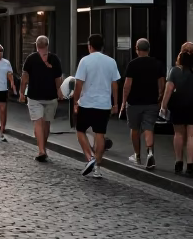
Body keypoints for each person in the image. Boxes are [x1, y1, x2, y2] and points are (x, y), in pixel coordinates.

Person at [160, 42, 193, 177]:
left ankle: (178, 162)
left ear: (181, 53)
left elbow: (168, 90)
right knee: (192, 135)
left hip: (178, 104)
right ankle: (190, 166)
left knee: (178, 134)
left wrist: (163, 106)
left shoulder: (175, 71)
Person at [73, 34, 120, 178]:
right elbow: (115, 84)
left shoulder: (85, 61)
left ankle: (90, 157)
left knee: (80, 130)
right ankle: (97, 168)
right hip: (104, 104)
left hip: (87, 103)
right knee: (100, 134)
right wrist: (115, 103)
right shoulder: (111, 61)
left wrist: (75, 101)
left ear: (89, 45)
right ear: (102, 46)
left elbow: (79, 83)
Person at [120, 38, 165, 170]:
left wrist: (123, 102)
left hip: (134, 102)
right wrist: (160, 98)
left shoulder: (132, 64)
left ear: (137, 49)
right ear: (148, 49)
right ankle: (150, 152)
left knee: (134, 129)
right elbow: (162, 84)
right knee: (148, 128)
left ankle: (137, 155)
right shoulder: (157, 64)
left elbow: (127, 85)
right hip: (151, 102)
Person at [19, 36, 64, 162]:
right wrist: (60, 91)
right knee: (46, 123)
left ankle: (41, 150)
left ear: (36, 45)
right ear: (47, 45)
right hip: (51, 96)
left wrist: (22, 93)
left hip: (34, 96)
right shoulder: (54, 59)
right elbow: (58, 78)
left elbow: (24, 77)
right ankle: (43, 148)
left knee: (38, 122)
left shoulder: (31, 59)